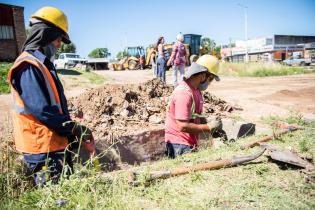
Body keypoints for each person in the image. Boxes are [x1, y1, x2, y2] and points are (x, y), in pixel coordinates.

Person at [7, 6, 95, 185]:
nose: (59, 45)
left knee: (66, 195)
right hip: (41, 149)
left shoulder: (42, 65)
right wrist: (74, 129)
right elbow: (44, 111)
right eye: (57, 39)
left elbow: (54, 106)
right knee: (56, 200)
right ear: (45, 35)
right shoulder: (27, 66)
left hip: (53, 145)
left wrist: (71, 135)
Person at [165, 55, 222, 158]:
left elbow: (194, 115)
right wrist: (208, 127)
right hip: (179, 145)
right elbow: (182, 126)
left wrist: (206, 120)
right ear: (203, 76)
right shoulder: (184, 93)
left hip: (189, 142)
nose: (210, 83)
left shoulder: (196, 91)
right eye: (211, 79)